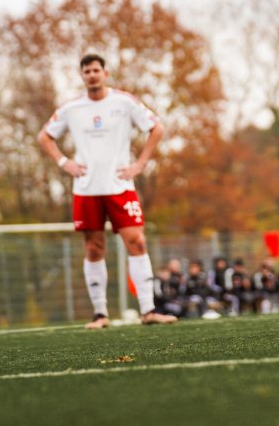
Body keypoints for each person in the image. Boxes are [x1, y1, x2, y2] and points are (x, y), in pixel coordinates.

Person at [37, 53, 176, 328]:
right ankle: (100, 314)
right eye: (86, 71)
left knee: (136, 241)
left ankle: (148, 310)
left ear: (105, 73)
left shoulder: (124, 102)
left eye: (96, 70)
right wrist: (64, 162)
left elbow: (156, 127)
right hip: (87, 188)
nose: (92, 75)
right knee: (93, 247)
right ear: (82, 76)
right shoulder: (71, 108)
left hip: (120, 185)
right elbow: (44, 136)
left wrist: (141, 163)